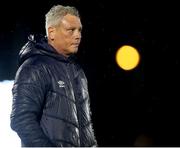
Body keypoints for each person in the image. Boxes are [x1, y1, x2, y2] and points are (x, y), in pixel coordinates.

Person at [10, 4, 97, 147]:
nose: (78, 35)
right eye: (71, 30)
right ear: (51, 32)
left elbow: (85, 124)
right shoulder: (34, 68)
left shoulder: (78, 71)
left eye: (79, 30)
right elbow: (21, 120)